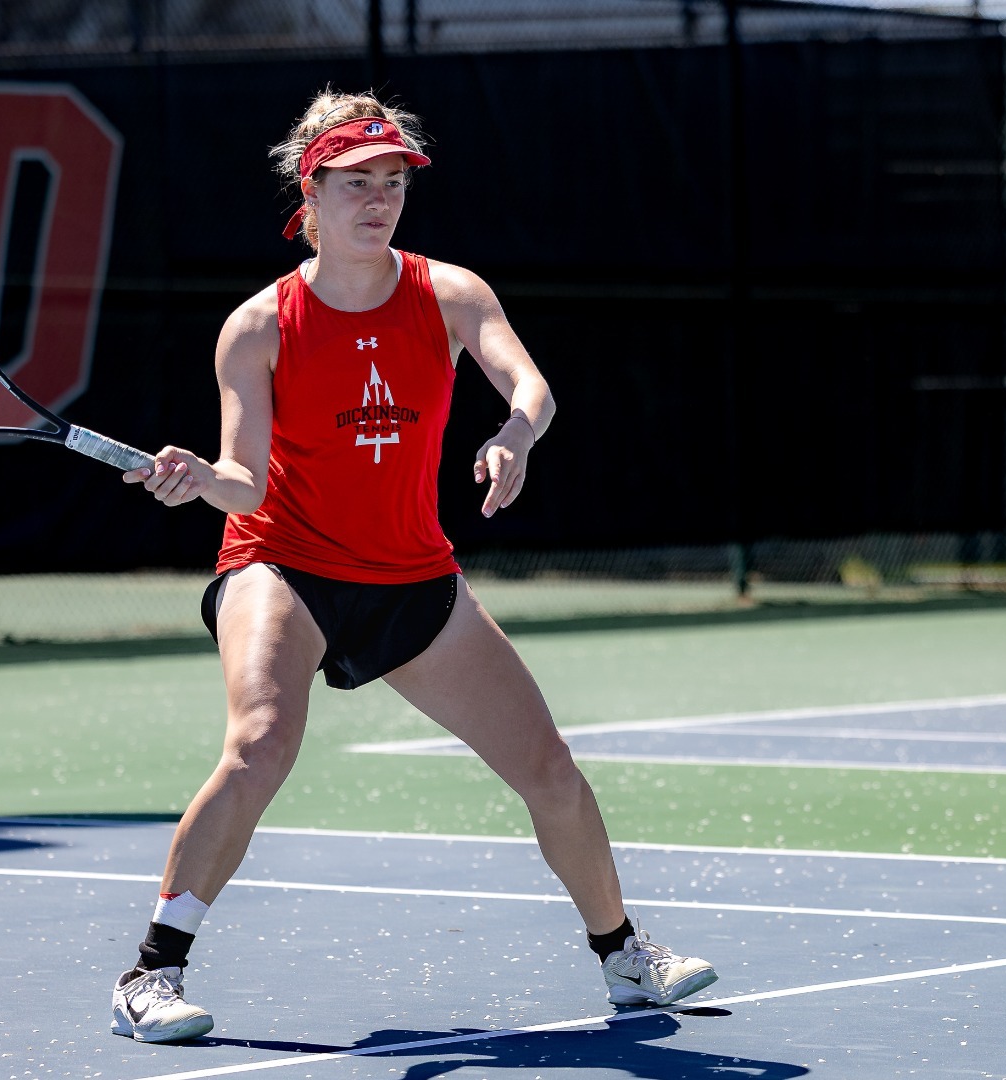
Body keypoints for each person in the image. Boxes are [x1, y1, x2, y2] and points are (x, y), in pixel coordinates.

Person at [106, 89, 717, 1044]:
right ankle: (151, 974)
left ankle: (625, 958)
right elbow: (242, 480)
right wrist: (195, 477)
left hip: (412, 577)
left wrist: (515, 433)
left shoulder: (451, 293)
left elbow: (531, 384)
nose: (379, 199)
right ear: (311, 192)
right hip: (285, 563)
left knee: (549, 769)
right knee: (260, 743)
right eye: (357, 183)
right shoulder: (258, 326)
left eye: (393, 181)